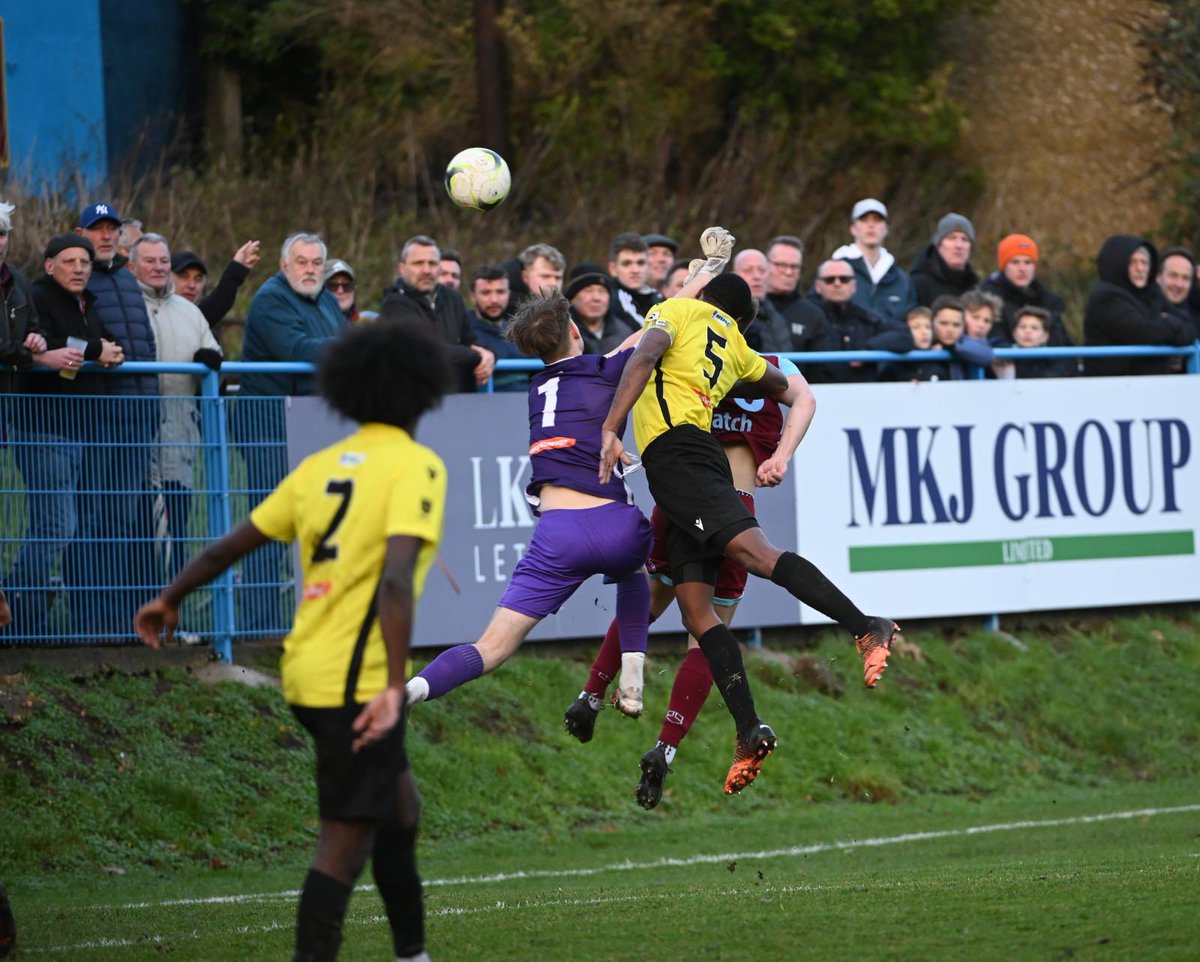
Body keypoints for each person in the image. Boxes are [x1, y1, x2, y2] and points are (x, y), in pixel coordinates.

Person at [135, 320, 449, 962]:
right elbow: (395, 581)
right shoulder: (416, 465)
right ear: (421, 390)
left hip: (308, 668)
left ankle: (412, 953)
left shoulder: (321, 467)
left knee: (401, 807)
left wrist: (169, 597)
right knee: (343, 843)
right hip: (357, 683)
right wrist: (394, 687)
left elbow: (228, 546)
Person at [598, 228, 898, 796]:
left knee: (731, 568)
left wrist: (612, 427)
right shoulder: (742, 351)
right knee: (698, 616)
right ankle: (739, 730)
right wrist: (781, 454)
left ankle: (865, 626)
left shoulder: (680, 316)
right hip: (706, 479)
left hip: (686, 469)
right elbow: (797, 392)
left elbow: (643, 348)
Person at [567, 345, 816, 809]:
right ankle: (666, 748)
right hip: (737, 509)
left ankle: (591, 694)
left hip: (682, 501)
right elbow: (805, 399)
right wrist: (782, 455)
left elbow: (629, 363)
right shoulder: (772, 366)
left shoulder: (686, 351)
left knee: (647, 602)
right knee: (708, 635)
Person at [406, 290, 653, 711]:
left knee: (491, 647)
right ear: (575, 330)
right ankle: (632, 676)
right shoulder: (602, 369)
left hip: (558, 535)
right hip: (616, 525)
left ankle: (412, 690)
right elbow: (650, 333)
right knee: (634, 572)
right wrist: (700, 277)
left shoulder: (537, 388)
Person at [6, 235, 123, 637]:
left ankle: (49, 619)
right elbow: (40, 347)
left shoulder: (88, 303)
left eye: (85, 262)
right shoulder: (37, 297)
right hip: (44, 428)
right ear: (49, 265)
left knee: (73, 526)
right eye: (69, 261)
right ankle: (16, 611)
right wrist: (93, 350)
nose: (79, 268)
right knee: (57, 526)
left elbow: (109, 344)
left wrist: (108, 351)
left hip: (82, 429)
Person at [236, 232, 347, 634]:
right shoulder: (271, 299)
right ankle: (259, 627)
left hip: (313, 428)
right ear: (284, 265)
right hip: (267, 427)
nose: (310, 270)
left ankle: (318, 620)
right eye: (302, 262)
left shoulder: (328, 301)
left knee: (321, 527)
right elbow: (297, 350)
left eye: (317, 263)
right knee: (270, 526)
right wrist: (351, 346)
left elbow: (336, 345)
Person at [73, 201, 162, 634]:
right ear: (81, 234)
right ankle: (87, 617)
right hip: (98, 418)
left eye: (112, 228)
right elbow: (63, 337)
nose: (106, 236)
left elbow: (146, 344)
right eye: (98, 229)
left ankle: (114, 618)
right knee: (91, 518)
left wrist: (152, 405)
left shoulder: (127, 280)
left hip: (137, 419)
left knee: (121, 520)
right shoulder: (76, 279)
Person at [130, 233, 224, 582]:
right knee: (135, 539)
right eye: (150, 261)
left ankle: (170, 611)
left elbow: (216, 361)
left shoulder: (191, 313)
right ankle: (137, 609)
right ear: (133, 266)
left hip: (180, 444)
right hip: (133, 447)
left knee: (176, 532)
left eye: (163, 261)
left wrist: (211, 361)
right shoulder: (127, 306)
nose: (158, 267)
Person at [380, 235, 496, 391]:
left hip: (461, 397)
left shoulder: (453, 298)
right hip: (415, 398)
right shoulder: (393, 305)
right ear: (402, 268)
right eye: (418, 263)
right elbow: (424, 352)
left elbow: (471, 340)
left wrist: (490, 355)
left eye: (432, 263)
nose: (427, 270)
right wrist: (476, 356)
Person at [1083, 235, 1194, 377]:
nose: (1140, 269)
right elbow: (1145, 333)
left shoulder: (1151, 293)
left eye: (1144, 262)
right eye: (1133, 262)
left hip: (1152, 383)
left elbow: (1189, 329)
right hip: (1114, 384)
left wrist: (1165, 324)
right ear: (1118, 264)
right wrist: (1169, 323)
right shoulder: (1105, 297)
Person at [806, 258, 914, 383]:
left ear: (854, 286)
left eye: (844, 279)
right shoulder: (806, 317)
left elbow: (904, 336)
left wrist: (868, 349)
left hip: (862, 392)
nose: (837, 283)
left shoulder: (867, 318)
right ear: (817, 286)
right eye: (830, 279)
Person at [831, 198, 916, 326]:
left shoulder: (902, 281)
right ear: (853, 228)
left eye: (877, 220)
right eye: (864, 219)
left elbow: (912, 324)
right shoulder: (832, 273)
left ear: (886, 229)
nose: (871, 225)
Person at [980, 234, 1073, 346]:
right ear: (1004, 267)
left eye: (1028, 262)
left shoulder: (1048, 300)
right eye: (1015, 262)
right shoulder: (987, 299)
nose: (1022, 269)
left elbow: (1062, 343)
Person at [466, 265, 532, 392]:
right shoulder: (463, 332)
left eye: (500, 292)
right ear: (473, 297)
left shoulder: (522, 332)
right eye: (486, 292)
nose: (494, 300)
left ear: (509, 294)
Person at [171, 240, 262, 328]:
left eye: (198, 279)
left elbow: (217, 304)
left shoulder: (201, 323)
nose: (192, 285)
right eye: (184, 277)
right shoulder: (165, 319)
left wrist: (238, 268)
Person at [764, 235, 825, 352]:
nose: (788, 272)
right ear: (766, 264)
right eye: (781, 265)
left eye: (794, 266)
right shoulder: (746, 309)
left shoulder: (813, 315)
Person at [909, 213, 980, 305]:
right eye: (951, 238)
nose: (959, 245)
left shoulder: (975, 288)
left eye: (965, 239)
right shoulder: (917, 285)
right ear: (938, 244)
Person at [566, 262, 636, 354]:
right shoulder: (564, 333)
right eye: (588, 290)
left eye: (602, 291)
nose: (596, 298)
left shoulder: (624, 333)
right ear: (572, 298)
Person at [732, 248, 792, 353]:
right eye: (747, 270)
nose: (757, 276)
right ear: (733, 275)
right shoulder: (728, 318)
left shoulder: (779, 317)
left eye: (762, 270)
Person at [929, 295, 994, 379]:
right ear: (932, 322)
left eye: (956, 325)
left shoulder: (963, 343)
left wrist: (952, 348)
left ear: (963, 326)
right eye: (944, 323)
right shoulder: (922, 341)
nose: (950, 330)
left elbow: (987, 355)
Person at [607, 232, 663, 330]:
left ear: (648, 265)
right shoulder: (614, 299)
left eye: (640, 263)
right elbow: (647, 332)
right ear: (613, 268)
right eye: (627, 263)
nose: (635, 270)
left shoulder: (657, 296)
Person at [998, 307, 1071, 379]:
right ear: (1014, 333)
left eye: (1034, 328)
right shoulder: (1003, 357)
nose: (1027, 331)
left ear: (1045, 336)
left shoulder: (1056, 361)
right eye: (1022, 327)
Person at [324, 258, 364, 324]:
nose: (340, 291)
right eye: (332, 285)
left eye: (347, 285)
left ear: (354, 289)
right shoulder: (310, 325)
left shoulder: (367, 325)